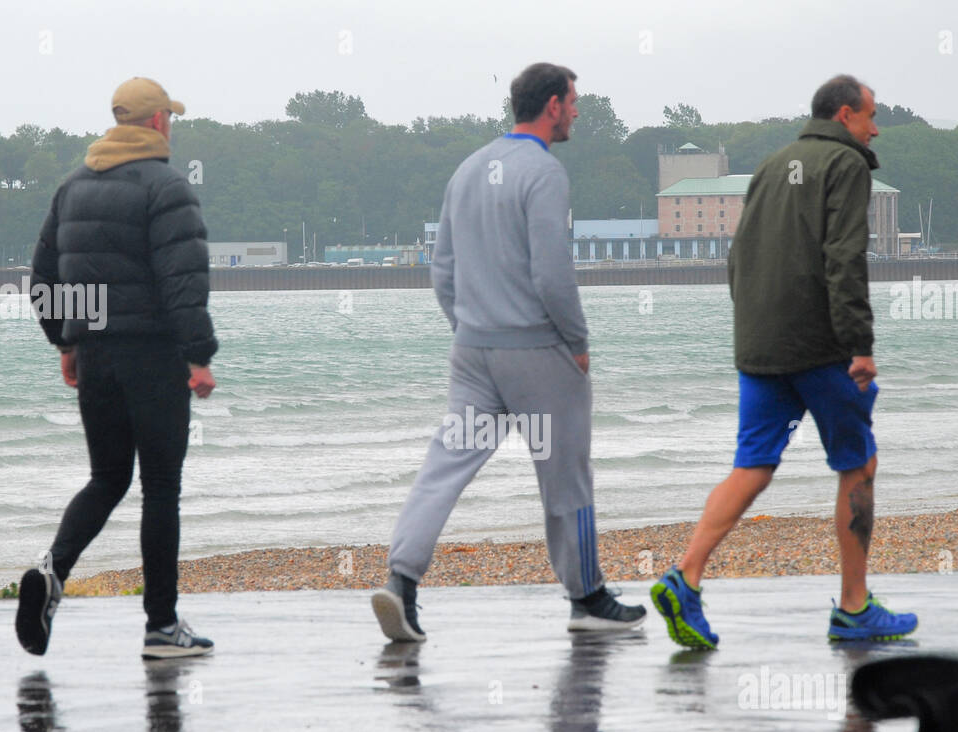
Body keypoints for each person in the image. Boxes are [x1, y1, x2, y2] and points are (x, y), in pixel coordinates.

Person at [372, 62, 646, 641]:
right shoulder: (543, 174)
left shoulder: (468, 169)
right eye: (573, 102)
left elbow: (441, 269)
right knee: (566, 476)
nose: (576, 112)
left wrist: (467, 326)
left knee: (445, 465)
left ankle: (401, 580)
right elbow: (551, 272)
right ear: (551, 105)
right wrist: (578, 342)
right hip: (537, 352)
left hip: (473, 350)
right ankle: (587, 598)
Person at [650, 74, 917, 648]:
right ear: (845, 114)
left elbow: (737, 254)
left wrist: (752, 325)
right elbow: (845, 258)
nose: (875, 129)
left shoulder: (772, 165)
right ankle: (853, 607)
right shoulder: (845, 166)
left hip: (760, 343)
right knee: (858, 463)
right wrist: (861, 346)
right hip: (821, 346)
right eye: (871, 117)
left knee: (753, 464)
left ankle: (686, 576)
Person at [16, 77, 218, 660]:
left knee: (107, 477)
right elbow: (183, 281)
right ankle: (161, 628)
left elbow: (43, 278)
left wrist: (67, 343)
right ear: (157, 123)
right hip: (153, 356)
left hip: (97, 358)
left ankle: (52, 573)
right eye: (170, 120)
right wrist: (198, 355)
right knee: (160, 487)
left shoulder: (72, 187)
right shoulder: (167, 186)